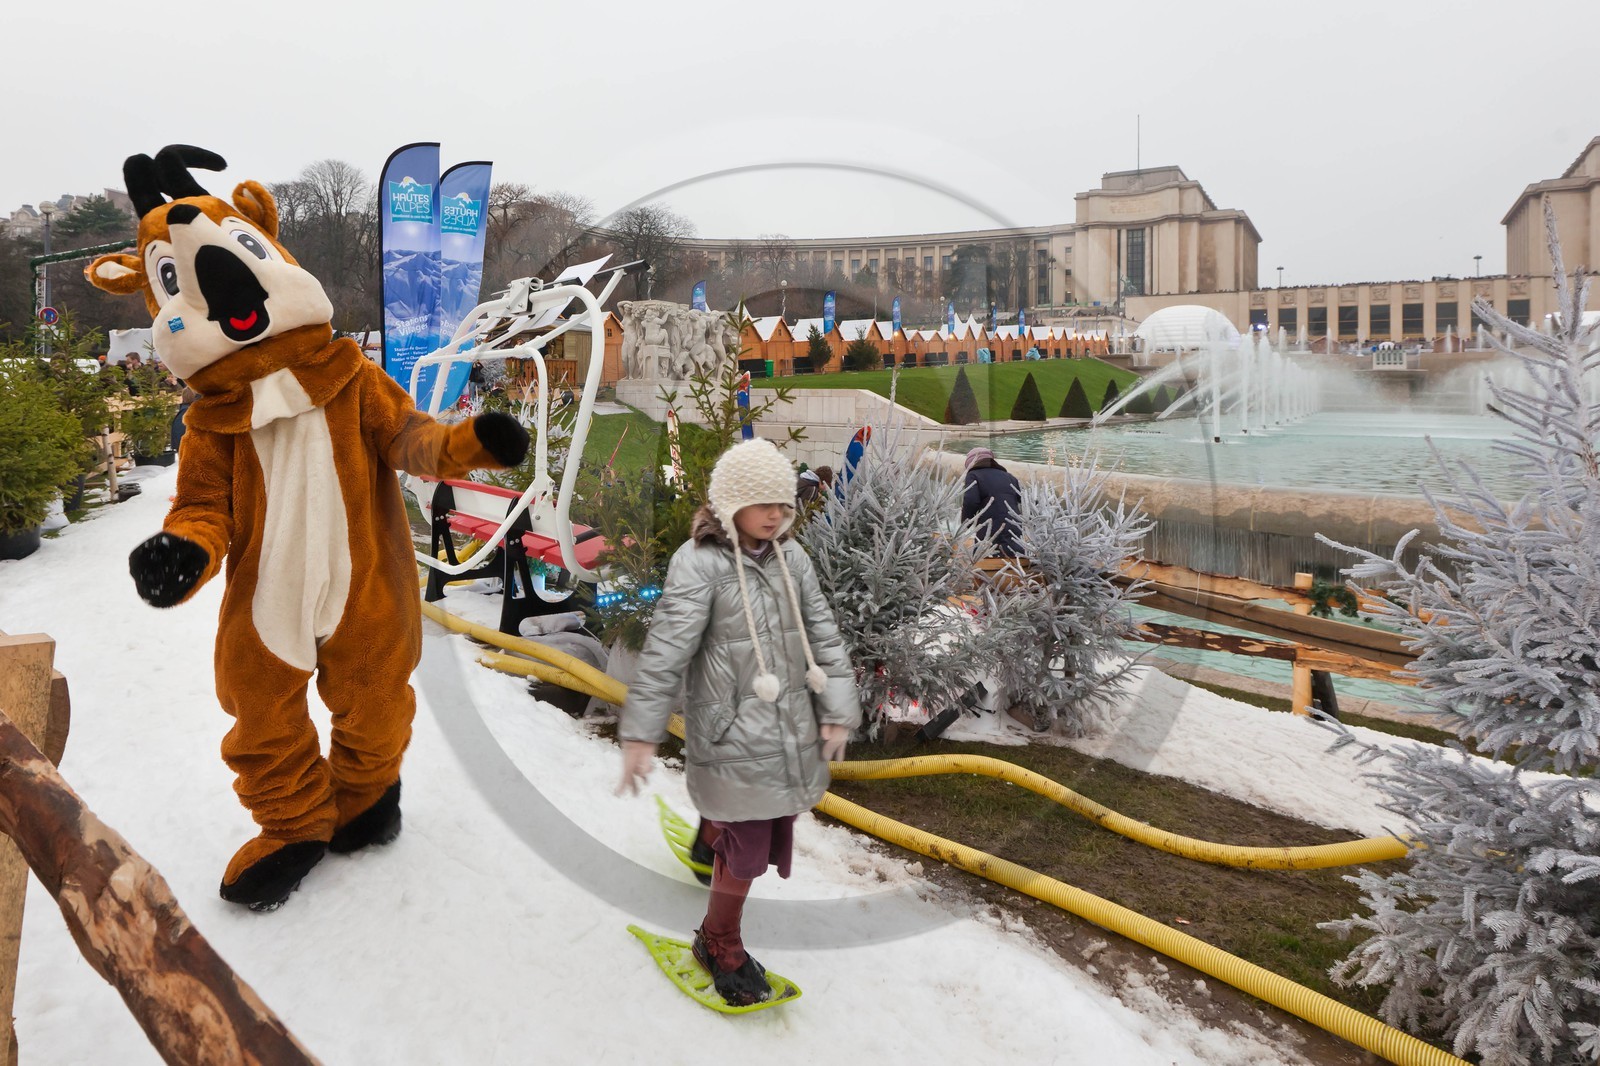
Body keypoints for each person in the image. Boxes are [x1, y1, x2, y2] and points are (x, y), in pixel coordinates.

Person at [616, 437, 861, 1006]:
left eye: (783, 502)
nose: (776, 514)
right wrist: (640, 732)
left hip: (788, 726)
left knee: (766, 818)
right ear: (729, 506)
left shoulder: (792, 558)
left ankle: (709, 840)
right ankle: (718, 939)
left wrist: (838, 711)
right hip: (727, 729)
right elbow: (666, 650)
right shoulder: (699, 564)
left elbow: (821, 633)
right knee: (749, 842)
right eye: (761, 503)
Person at [961, 446, 1022, 556]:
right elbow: (1024, 500)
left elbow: (970, 501)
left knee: (983, 558)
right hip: (1014, 526)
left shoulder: (973, 475)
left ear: (971, 463)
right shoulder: (1010, 477)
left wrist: (965, 523)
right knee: (1013, 557)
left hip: (990, 527)